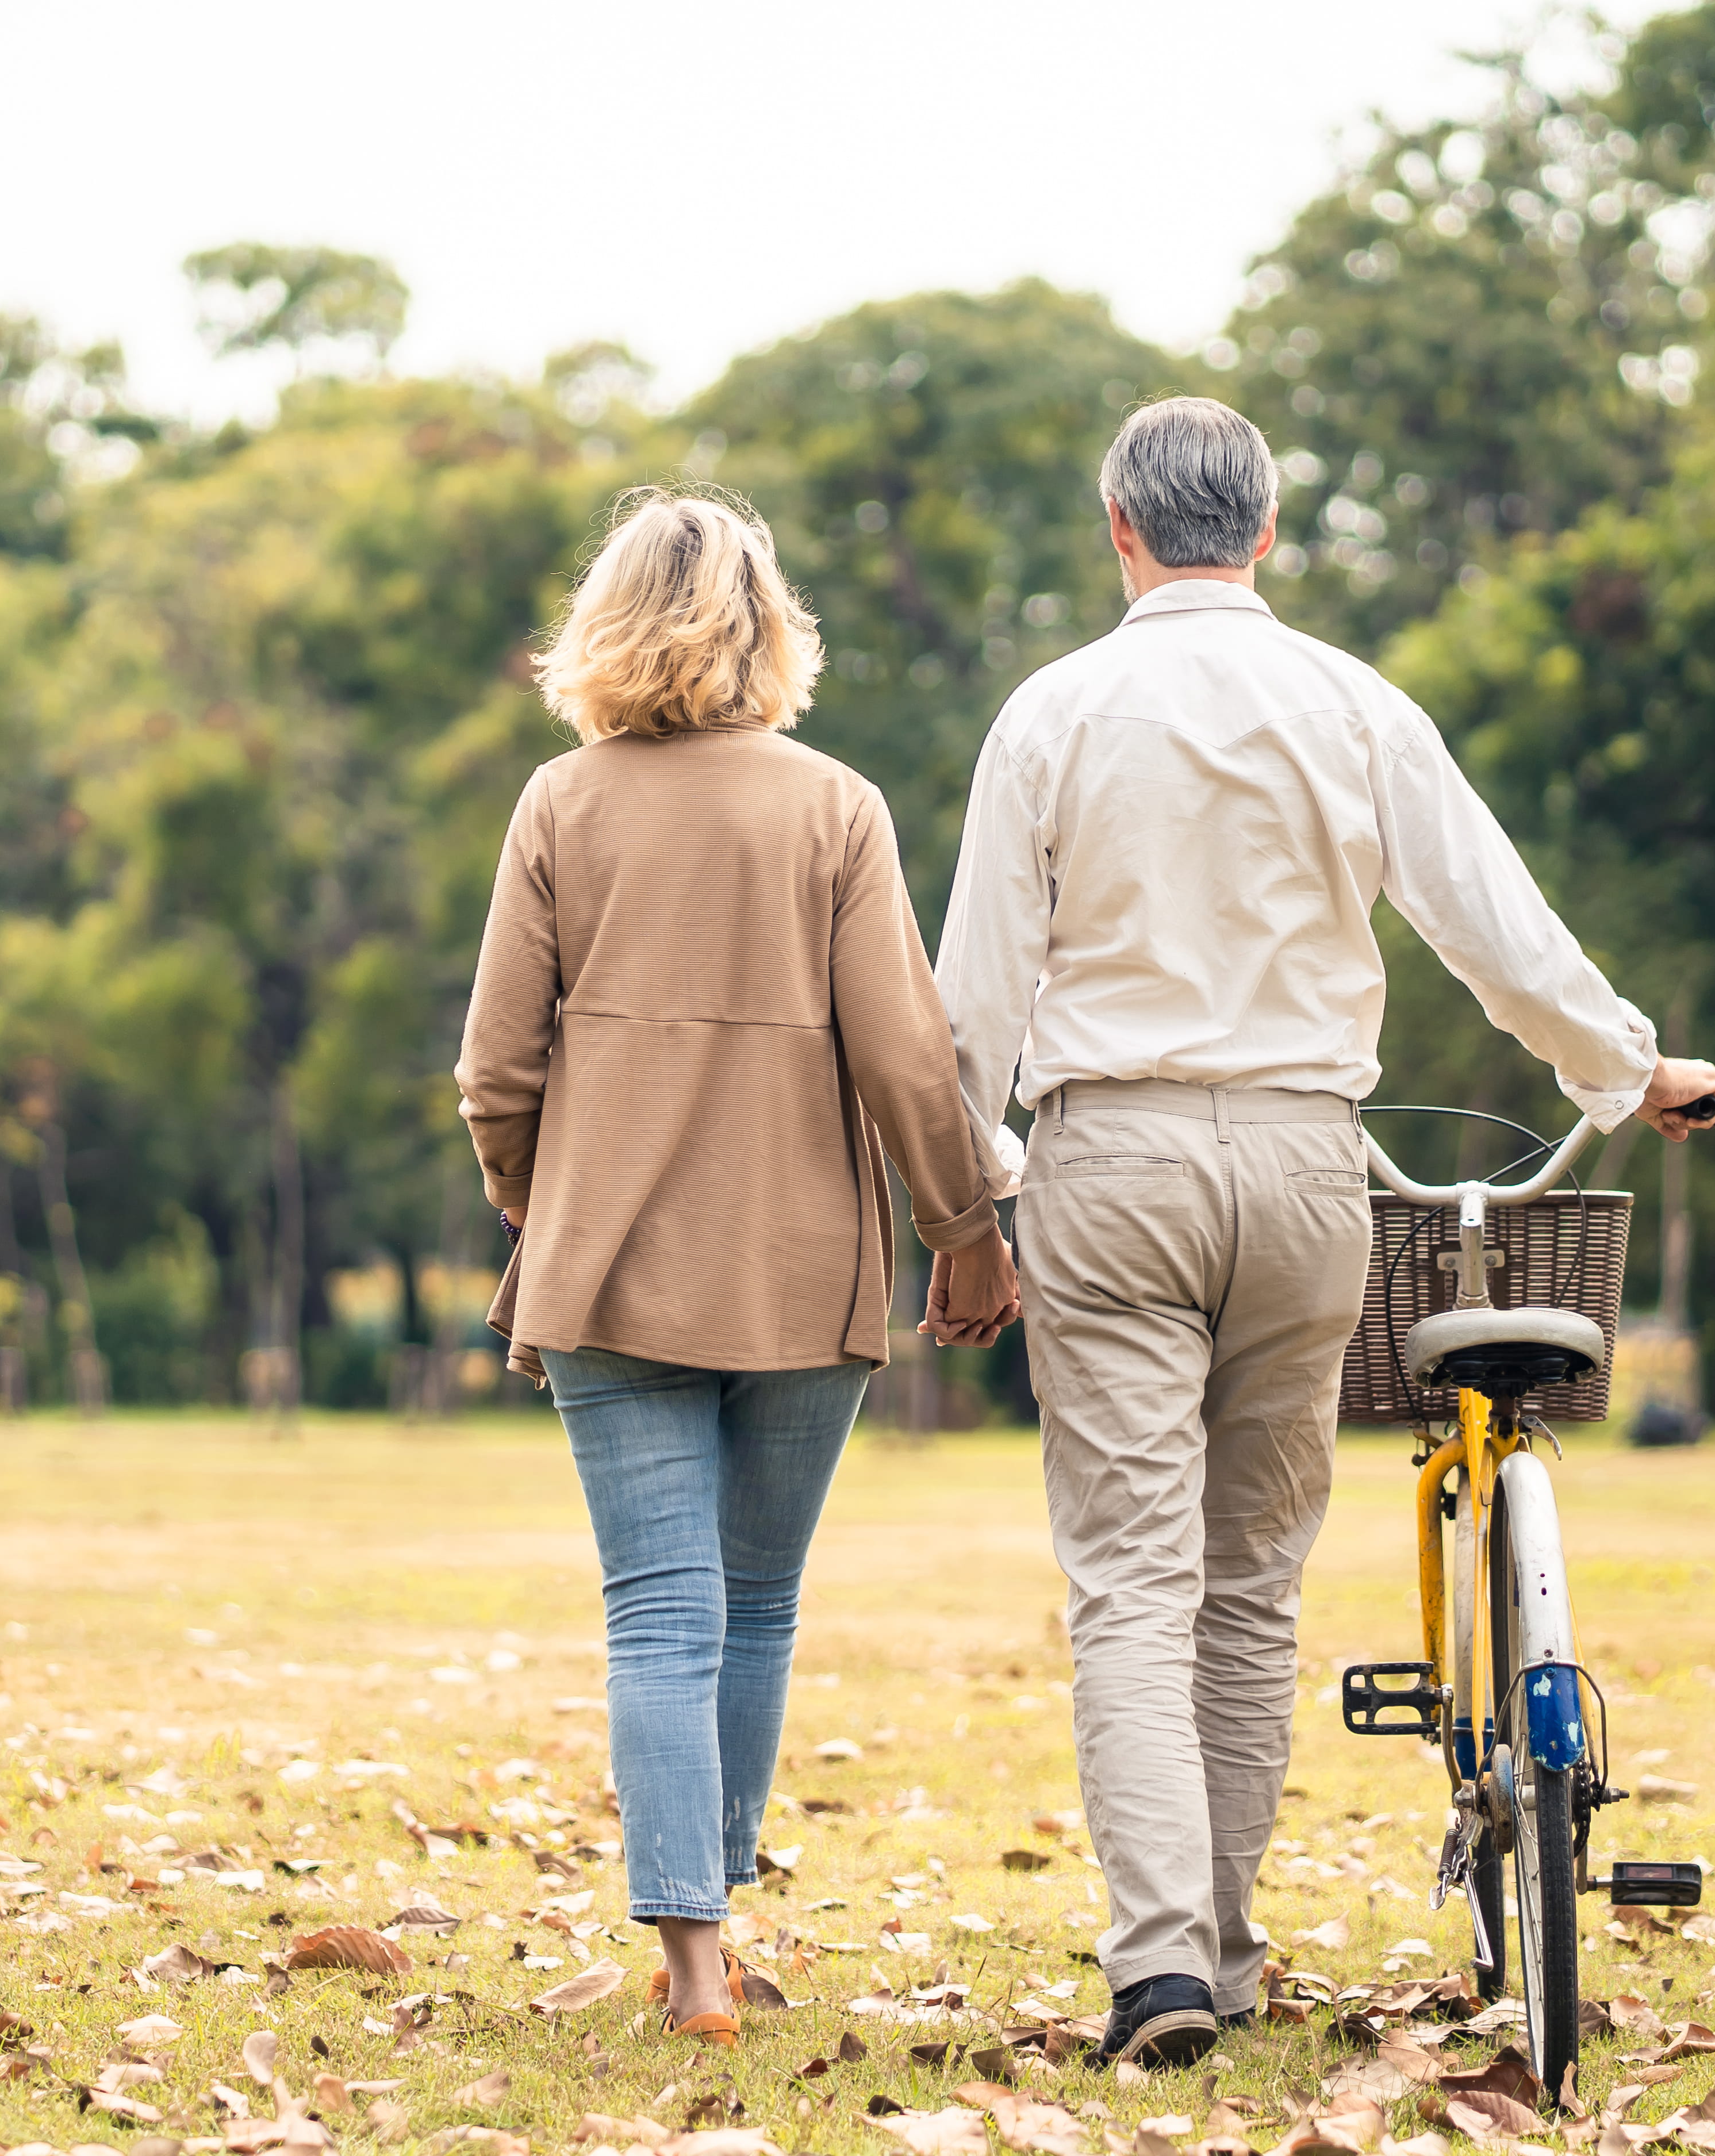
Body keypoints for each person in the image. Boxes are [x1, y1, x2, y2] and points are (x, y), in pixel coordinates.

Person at [926, 397, 1715, 2069]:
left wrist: (969, 1195)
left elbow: (972, 1007)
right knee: (1250, 1584)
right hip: (1305, 1172)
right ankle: (1216, 1953)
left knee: (1131, 1582)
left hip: (1109, 1163)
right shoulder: (1353, 706)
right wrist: (1625, 1067)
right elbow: (1495, 937)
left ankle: (1165, 1965)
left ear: (1117, 525)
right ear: (1268, 531)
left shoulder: (1051, 713)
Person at [457, 488, 1018, 2048]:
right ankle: (717, 1932)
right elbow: (909, 1058)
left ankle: (691, 1961)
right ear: (772, 628)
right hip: (797, 1267)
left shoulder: (557, 807)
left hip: (610, 1268)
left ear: (602, 630)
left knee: (658, 1613)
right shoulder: (834, 807)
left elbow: (497, 1067)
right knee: (752, 1607)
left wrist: (535, 1197)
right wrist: (960, 1228)